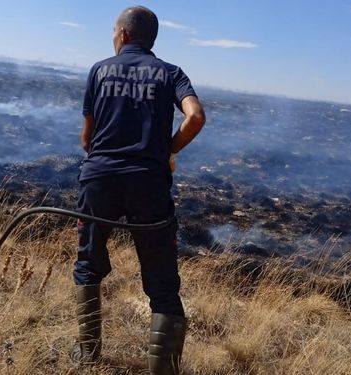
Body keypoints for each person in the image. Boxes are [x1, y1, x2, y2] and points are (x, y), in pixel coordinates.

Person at [70, 5, 206, 375]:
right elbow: (195, 116)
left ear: (124, 34)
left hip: (99, 181)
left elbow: (87, 138)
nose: (113, 37)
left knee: (87, 266)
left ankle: (88, 356)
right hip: (149, 184)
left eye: (114, 32)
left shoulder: (99, 70)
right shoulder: (171, 73)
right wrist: (169, 149)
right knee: (162, 282)